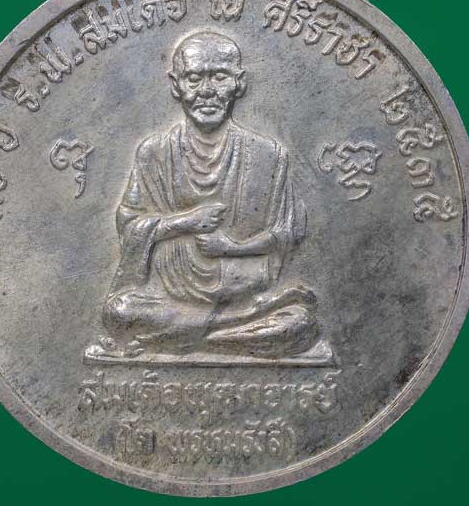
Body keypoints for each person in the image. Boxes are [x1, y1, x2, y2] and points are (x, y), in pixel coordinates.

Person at [101, 31, 319, 358]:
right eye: (193, 78)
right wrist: (185, 222)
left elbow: (286, 236)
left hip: (246, 297)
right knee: (120, 311)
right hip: (166, 297)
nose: (206, 91)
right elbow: (130, 225)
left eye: (219, 77)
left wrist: (233, 248)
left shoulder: (269, 155)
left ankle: (184, 337)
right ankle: (224, 335)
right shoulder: (153, 152)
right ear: (176, 85)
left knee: (299, 321)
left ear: (238, 83)